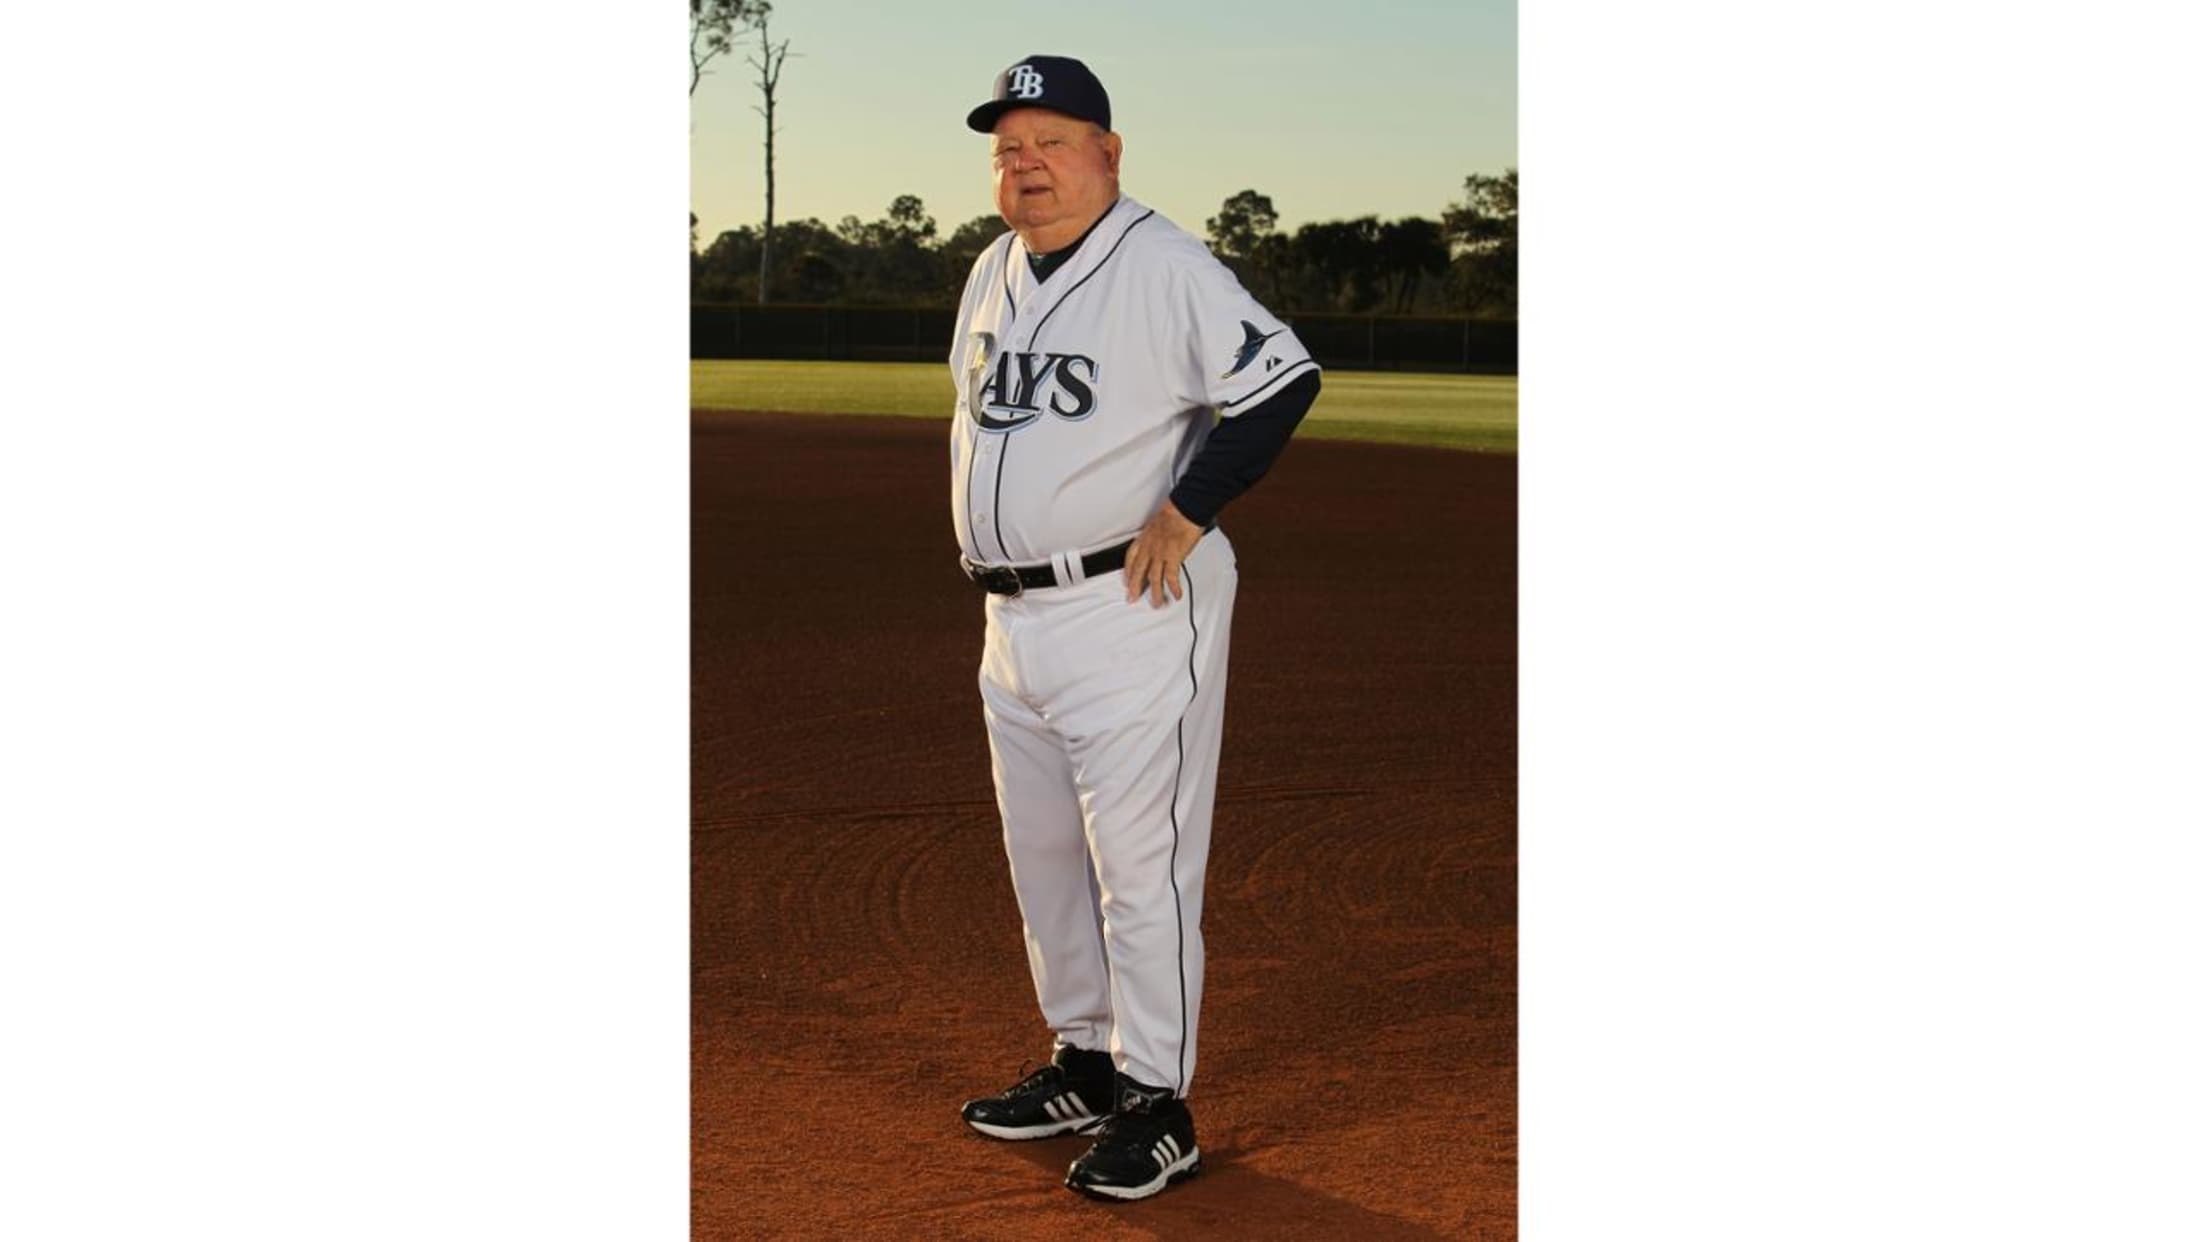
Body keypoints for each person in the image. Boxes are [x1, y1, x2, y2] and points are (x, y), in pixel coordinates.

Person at [948, 54, 1321, 1203]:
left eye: (1051, 143)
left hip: (1131, 606)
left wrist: (1188, 507)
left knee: (1139, 867)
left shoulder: (1160, 263)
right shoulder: (994, 267)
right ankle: (1086, 1060)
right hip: (1014, 617)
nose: (1028, 167)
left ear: (1108, 153)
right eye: (1010, 150)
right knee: (1046, 855)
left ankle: (1158, 1099)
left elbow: (1281, 378)